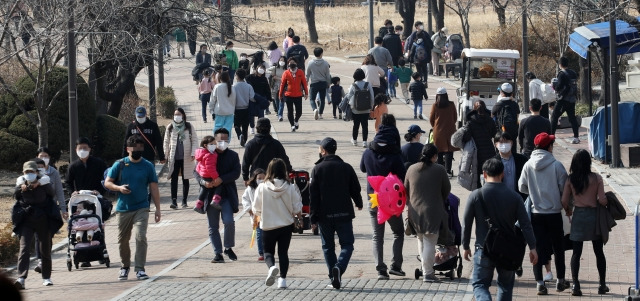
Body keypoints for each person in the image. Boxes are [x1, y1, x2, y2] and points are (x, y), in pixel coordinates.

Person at [462, 158, 538, 301]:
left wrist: (465, 246)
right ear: (502, 174)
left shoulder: (475, 196)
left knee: (480, 285)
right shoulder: (515, 197)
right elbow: (526, 224)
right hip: (507, 250)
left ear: (484, 174)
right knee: (505, 285)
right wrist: (533, 247)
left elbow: (466, 223)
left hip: (483, 248)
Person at [518, 132, 570, 295]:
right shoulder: (556, 165)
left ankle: (540, 283)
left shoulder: (528, 165)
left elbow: (521, 187)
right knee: (558, 247)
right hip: (554, 213)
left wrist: (534, 194)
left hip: (536, 213)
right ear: (549, 147)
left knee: (538, 248)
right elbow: (564, 189)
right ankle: (560, 281)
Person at [104, 134, 161, 281]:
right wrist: (119, 188)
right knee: (122, 240)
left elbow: (154, 188)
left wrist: (158, 209)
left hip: (142, 207)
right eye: (134, 147)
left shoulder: (148, 166)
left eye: (140, 147)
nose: (137, 150)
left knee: (140, 236)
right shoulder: (120, 164)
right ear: (128, 149)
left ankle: (140, 269)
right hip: (123, 208)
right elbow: (107, 183)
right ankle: (125, 267)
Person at [310, 137, 363, 289]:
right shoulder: (346, 167)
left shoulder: (317, 169)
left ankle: (334, 274)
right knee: (347, 244)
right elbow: (355, 188)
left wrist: (313, 218)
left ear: (324, 151)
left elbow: (313, 196)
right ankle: (338, 269)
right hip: (344, 214)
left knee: (328, 247)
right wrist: (358, 202)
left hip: (324, 215)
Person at [360, 116, 407, 280]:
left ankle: (380, 269)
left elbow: (362, 168)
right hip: (391, 201)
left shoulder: (368, 151)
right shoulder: (395, 153)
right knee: (398, 233)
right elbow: (402, 174)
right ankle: (396, 265)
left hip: (373, 198)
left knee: (377, 236)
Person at [561, 149, 609, 296]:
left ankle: (576, 285)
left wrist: (569, 210)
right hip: (594, 218)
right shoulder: (597, 178)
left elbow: (563, 201)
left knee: (576, 253)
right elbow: (602, 200)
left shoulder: (571, 179)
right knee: (599, 252)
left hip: (579, 217)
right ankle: (602, 285)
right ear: (588, 162)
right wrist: (606, 200)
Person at [252, 158, 303, 289]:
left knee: (268, 252)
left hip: (268, 225)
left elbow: (256, 208)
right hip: (285, 225)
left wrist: (258, 216)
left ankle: (272, 267)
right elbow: (297, 206)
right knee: (283, 253)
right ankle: (283, 280)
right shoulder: (290, 187)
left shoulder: (262, 187)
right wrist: (298, 216)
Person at [405, 144, 452, 283]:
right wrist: (438, 199)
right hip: (432, 212)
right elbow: (447, 189)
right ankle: (428, 273)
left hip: (414, 211)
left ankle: (425, 269)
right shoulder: (440, 169)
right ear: (434, 156)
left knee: (420, 239)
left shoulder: (411, 169)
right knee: (430, 241)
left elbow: (405, 188)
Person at [12, 160, 63, 289]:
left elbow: (51, 193)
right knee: (24, 249)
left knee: (44, 249)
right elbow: (15, 195)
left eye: (32, 171)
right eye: (27, 172)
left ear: (36, 172)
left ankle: (46, 277)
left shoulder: (44, 182)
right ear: (23, 173)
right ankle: (21, 278)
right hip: (27, 220)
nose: (29, 174)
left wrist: (39, 183)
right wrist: (22, 188)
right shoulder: (20, 182)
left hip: (43, 220)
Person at [194, 128, 241, 263]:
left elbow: (236, 172)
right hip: (209, 194)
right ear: (214, 141)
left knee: (229, 221)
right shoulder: (206, 154)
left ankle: (228, 247)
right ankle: (218, 253)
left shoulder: (232, 155)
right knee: (213, 226)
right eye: (220, 141)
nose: (222, 143)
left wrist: (222, 179)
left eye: (226, 140)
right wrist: (203, 182)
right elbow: (196, 172)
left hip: (226, 195)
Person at [164, 108, 199, 209]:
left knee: (185, 178)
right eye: (175, 114)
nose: (177, 116)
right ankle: (174, 201)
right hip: (174, 158)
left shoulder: (189, 126)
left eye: (179, 114)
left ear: (183, 115)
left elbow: (195, 140)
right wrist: (165, 155)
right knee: (173, 179)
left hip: (186, 157)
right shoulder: (170, 127)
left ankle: (184, 200)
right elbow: (166, 142)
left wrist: (193, 153)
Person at [242, 118, 292, 184]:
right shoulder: (276, 144)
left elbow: (245, 163)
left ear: (257, 128)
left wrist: (245, 178)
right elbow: (285, 160)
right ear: (269, 128)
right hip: (272, 178)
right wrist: (289, 171)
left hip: (256, 178)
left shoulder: (250, 144)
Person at [464, 101, 498, 188]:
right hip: (489, 151)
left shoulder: (470, 121)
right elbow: (495, 134)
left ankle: (479, 193)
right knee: (489, 172)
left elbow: (466, 137)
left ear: (474, 109)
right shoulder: (490, 120)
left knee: (477, 175)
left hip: (476, 152)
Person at [551, 57, 580, 144]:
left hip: (563, 99)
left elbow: (559, 86)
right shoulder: (573, 73)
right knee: (572, 118)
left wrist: (555, 87)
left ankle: (552, 136)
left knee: (554, 117)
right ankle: (576, 137)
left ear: (560, 65)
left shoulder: (562, 74)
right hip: (572, 99)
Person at [492, 132, 528, 201]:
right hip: (500, 199)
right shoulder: (493, 162)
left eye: (506, 142)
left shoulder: (522, 159)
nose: (504, 145)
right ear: (496, 145)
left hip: (520, 198)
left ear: (511, 143)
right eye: (501, 142)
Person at [429, 87, 457, 176]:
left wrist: (435, 126)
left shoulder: (435, 105)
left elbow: (431, 118)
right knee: (449, 150)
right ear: (446, 95)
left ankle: (440, 169)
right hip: (450, 130)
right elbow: (455, 117)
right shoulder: (451, 104)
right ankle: (448, 170)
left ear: (437, 95)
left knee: (439, 151)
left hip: (438, 131)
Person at [344, 68, 374, 148]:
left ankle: (354, 140)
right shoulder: (368, 84)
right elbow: (372, 96)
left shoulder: (353, 85)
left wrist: (351, 106)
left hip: (356, 110)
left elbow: (349, 96)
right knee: (365, 126)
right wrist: (371, 106)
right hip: (366, 109)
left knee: (356, 125)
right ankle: (364, 141)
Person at [241, 168, 267, 261]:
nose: (261, 180)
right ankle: (261, 252)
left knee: (267, 234)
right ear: (255, 178)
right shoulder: (250, 189)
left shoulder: (268, 187)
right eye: (259, 178)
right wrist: (249, 209)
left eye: (263, 178)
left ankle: (268, 251)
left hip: (267, 214)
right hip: (256, 214)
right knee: (259, 233)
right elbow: (245, 199)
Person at [194, 136, 223, 212]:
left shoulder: (202, 153)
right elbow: (210, 168)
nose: (214, 145)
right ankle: (215, 200)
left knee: (204, 189)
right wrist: (216, 177)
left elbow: (198, 167)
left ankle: (198, 205)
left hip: (203, 175)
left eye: (214, 143)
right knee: (219, 185)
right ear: (205, 145)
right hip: (209, 175)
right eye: (211, 144)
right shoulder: (210, 155)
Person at [279, 59, 308, 132]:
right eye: (290, 63)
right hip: (288, 95)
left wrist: (306, 93)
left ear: (296, 63)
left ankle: (296, 120)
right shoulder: (286, 73)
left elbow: (304, 83)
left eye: (293, 62)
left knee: (299, 111)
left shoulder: (300, 72)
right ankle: (292, 125)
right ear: (288, 64)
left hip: (298, 95)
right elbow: (282, 84)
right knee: (290, 111)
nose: (292, 64)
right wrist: (280, 94)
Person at [491, 83, 520, 154]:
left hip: (501, 131)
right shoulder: (514, 104)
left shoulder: (498, 104)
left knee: (500, 152)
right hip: (513, 132)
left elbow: (491, 116)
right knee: (512, 152)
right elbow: (517, 116)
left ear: (502, 93)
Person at [306, 47, 332, 120]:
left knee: (312, 99)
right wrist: (328, 83)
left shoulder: (310, 63)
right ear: (321, 54)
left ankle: (314, 109)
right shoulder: (325, 63)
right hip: (323, 83)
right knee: (322, 99)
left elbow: (307, 74)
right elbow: (327, 74)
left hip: (314, 83)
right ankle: (320, 114)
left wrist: (306, 81)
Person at [210, 71, 237, 139]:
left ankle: (217, 141)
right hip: (230, 112)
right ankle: (226, 142)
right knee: (228, 129)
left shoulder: (217, 86)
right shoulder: (232, 87)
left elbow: (213, 100)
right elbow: (234, 100)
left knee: (217, 128)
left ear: (220, 78)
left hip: (219, 111)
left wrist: (211, 110)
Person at [233, 68, 255, 147]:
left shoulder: (234, 86)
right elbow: (252, 97)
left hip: (236, 109)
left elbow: (231, 98)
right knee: (245, 126)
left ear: (237, 76)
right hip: (246, 108)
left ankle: (239, 135)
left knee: (236, 125)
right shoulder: (248, 86)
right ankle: (244, 141)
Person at [270, 56, 287, 122]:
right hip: (276, 86)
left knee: (282, 101)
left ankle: (280, 115)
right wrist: (281, 79)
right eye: (280, 60)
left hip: (284, 87)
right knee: (276, 100)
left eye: (283, 61)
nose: (281, 62)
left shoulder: (286, 69)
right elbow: (273, 76)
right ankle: (278, 112)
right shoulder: (275, 68)